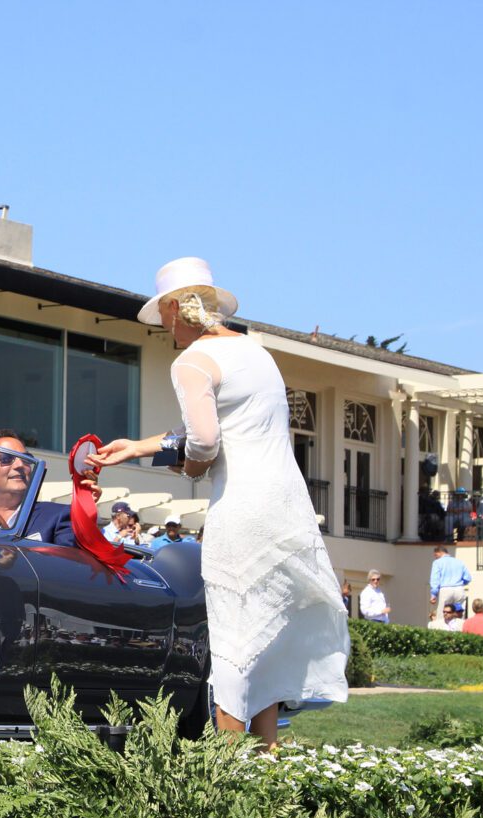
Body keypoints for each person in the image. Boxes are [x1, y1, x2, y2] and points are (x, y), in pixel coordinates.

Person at [89, 257, 349, 747]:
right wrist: (140, 446)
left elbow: (204, 442)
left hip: (243, 506)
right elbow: (223, 425)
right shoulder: (254, 351)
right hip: (286, 503)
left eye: (162, 319)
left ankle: (226, 767)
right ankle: (268, 753)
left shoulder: (190, 361)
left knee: (233, 636)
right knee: (266, 628)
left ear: (171, 311)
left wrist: (188, 468)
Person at [0, 429, 97, 544]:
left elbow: (69, 563)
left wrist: (84, 512)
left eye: (26, 458)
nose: (20, 464)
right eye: (6, 458)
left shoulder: (58, 516)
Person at [429, 545, 471, 630]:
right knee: (459, 614)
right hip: (459, 589)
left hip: (446, 589)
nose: (435, 557)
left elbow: (435, 579)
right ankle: (460, 635)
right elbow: (468, 578)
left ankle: (440, 635)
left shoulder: (437, 562)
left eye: (436, 555)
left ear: (440, 552)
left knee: (442, 615)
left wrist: (433, 594)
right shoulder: (459, 562)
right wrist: (460, 583)